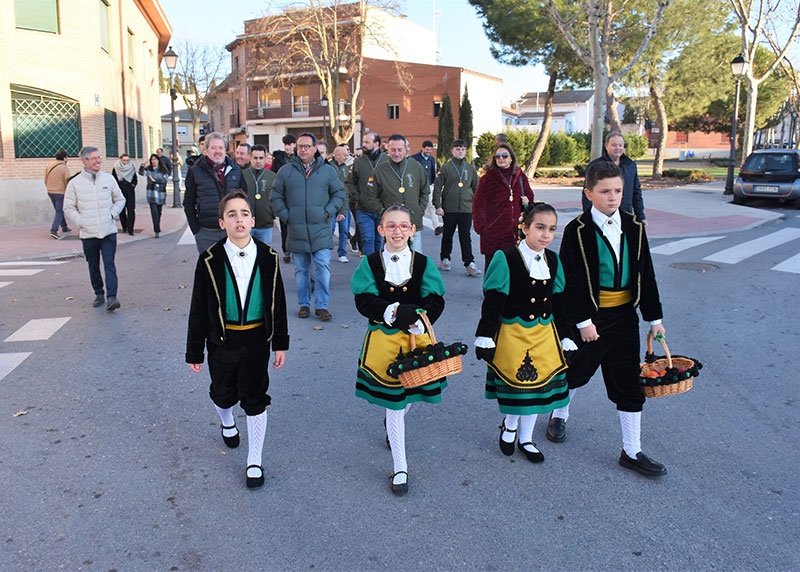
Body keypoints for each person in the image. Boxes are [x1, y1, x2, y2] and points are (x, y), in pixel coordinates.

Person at [556, 160, 667, 477]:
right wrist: (581, 322)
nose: (613, 197)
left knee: (628, 384)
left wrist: (654, 318)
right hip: (590, 318)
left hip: (624, 318)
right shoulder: (577, 231)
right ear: (589, 193)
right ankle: (560, 414)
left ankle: (632, 451)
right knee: (576, 371)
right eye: (605, 191)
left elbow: (646, 274)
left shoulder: (635, 227)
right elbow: (570, 282)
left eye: (618, 190)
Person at [186, 190, 289, 490]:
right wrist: (195, 351)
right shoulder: (209, 260)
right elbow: (198, 307)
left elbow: (277, 301)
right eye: (231, 215)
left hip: (258, 339)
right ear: (222, 223)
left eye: (244, 213)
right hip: (222, 340)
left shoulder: (268, 256)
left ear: (253, 220)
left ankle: (254, 459)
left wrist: (279, 342)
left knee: (255, 398)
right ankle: (227, 421)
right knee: (222, 393)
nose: (239, 219)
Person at [350, 204, 447, 495]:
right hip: (383, 341)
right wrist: (391, 311)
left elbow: (436, 299)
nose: (397, 231)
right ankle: (400, 467)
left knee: (407, 399)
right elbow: (363, 300)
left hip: (417, 341)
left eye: (403, 226)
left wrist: (421, 318)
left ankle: (396, 419)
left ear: (412, 230)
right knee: (394, 402)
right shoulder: (370, 263)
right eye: (390, 226)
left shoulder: (422, 263)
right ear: (380, 230)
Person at [475, 203, 576, 463]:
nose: (546, 235)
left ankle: (526, 439)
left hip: (544, 334)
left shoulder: (553, 260)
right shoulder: (505, 257)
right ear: (524, 227)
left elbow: (561, 301)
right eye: (540, 227)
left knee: (538, 389)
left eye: (551, 229)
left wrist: (566, 335)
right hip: (513, 334)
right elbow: (494, 300)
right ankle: (510, 426)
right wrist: (485, 334)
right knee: (519, 386)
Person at [270, 132, 345, 322]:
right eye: (300, 146)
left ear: (315, 149)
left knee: (323, 267)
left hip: (320, 228)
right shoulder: (286, 171)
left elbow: (339, 193)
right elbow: (275, 195)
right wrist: (287, 216)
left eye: (306, 146)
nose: (302, 149)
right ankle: (304, 304)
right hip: (297, 229)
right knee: (301, 270)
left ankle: (321, 306)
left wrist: (328, 211)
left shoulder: (327, 171)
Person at [64, 146, 126, 311]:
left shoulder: (108, 179)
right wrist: (82, 221)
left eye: (99, 157)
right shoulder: (75, 184)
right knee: (93, 265)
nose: (98, 161)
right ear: (84, 161)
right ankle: (99, 293)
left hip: (108, 231)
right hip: (88, 233)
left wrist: (112, 214)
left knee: (109, 263)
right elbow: (68, 207)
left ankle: (112, 297)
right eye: (94, 158)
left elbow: (120, 199)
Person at [472, 143, 534, 270]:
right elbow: (478, 205)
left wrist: (527, 201)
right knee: (493, 271)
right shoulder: (487, 179)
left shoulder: (520, 176)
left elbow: (530, 197)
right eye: (498, 156)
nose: (501, 158)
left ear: (511, 158)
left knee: (514, 272)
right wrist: (483, 227)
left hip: (516, 233)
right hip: (493, 234)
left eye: (505, 156)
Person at [184, 132, 248, 253]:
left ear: (225, 150)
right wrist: (196, 230)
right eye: (213, 148)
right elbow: (188, 202)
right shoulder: (195, 171)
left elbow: (245, 199)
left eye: (220, 148)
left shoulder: (235, 170)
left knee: (232, 269)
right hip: (206, 232)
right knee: (209, 270)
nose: (217, 151)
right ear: (206, 150)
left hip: (231, 231)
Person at [364, 134, 429, 253]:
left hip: (414, 222)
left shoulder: (416, 167)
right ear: (387, 150)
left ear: (406, 150)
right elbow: (371, 196)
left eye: (400, 150)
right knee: (393, 260)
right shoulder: (379, 171)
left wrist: (420, 210)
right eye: (393, 150)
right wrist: (383, 212)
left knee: (416, 260)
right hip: (392, 225)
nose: (396, 153)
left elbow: (425, 191)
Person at [433, 139, 481, 277]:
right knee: (448, 234)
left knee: (465, 236)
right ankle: (445, 258)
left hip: (466, 208)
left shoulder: (470, 168)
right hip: (450, 207)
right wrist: (438, 205)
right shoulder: (447, 168)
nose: (460, 151)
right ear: (452, 151)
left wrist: (475, 204)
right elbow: (437, 187)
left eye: (463, 149)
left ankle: (469, 263)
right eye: (458, 149)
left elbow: (476, 188)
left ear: (466, 151)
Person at [582, 132, 646, 224]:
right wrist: (588, 218)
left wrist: (641, 216)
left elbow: (636, 192)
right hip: (602, 217)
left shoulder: (630, 165)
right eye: (614, 145)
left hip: (625, 215)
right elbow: (587, 193)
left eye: (620, 145)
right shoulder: (595, 166)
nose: (618, 148)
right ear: (606, 146)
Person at [346, 131, 387, 256]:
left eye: (367, 142)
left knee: (379, 240)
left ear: (376, 144)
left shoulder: (387, 160)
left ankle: (377, 268)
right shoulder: (358, 162)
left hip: (382, 209)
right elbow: (349, 182)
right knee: (367, 239)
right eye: (363, 142)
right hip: (363, 209)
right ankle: (370, 268)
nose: (363, 144)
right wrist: (358, 197)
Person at [243, 144, 277, 247]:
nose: (258, 161)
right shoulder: (243, 175)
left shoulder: (272, 176)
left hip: (266, 225)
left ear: (265, 159)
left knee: (264, 256)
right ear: (250, 157)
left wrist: (272, 213)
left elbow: (277, 197)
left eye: (261, 158)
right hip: (246, 224)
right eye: (255, 158)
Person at [271, 134, 297, 263]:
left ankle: (296, 249)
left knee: (297, 226)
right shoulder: (278, 159)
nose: (287, 147)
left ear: (294, 145)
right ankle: (286, 250)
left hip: (297, 196)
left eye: (290, 144)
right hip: (283, 196)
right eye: (285, 144)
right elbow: (273, 175)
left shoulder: (299, 157)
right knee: (284, 225)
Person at [411, 139, 442, 235]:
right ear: (423, 148)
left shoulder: (431, 159)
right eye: (427, 150)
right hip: (417, 186)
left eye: (430, 150)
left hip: (428, 185)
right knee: (417, 205)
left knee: (432, 205)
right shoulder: (414, 158)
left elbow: (433, 171)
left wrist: (433, 182)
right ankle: (414, 223)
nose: (428, 152)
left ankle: (436, 226)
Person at [329, 145, 351, 263]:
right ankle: (326, 252)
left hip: (344, 203)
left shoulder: (346, 168)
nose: (347, 156)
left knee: (344, 229)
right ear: (337, 156)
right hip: (331, 204)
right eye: (344, 154)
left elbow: (346, 188)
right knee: (330, 229)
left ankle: (342, 253)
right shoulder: (328, 167)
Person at [44, 149, 73, 240]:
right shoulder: (64, 168)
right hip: (60, 192)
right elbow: (67, 181)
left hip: (50, 191)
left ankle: (64, 227)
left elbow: (45, 179)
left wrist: (49, 187)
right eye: (67, 158)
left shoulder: (50, 165)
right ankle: (54, 230)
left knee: (59, 210)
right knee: (59, 211)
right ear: (64, 158)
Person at [143, 153, 169, 238]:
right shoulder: (148, 169)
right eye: (152, 160)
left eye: (155, 159)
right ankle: (156, 230)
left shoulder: (163, 169)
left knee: (159, 212)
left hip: (160, 193)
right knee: (154, 212)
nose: (153, 161)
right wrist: (143, 164)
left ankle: (157, 225)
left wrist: (155, 180)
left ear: (158, 160)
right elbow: (141, 173)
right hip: (152, 194)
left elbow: (165, 179)